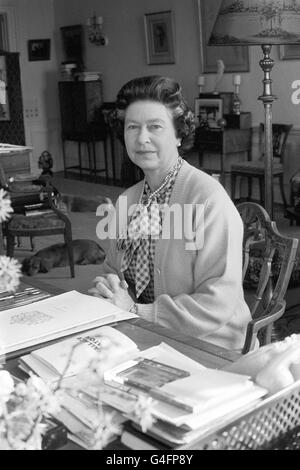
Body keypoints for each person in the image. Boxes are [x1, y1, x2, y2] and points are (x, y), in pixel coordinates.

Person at [88, 75, 251, 350]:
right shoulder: (127, 200)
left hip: (211, 347)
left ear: (178, 134)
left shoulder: (208, 199)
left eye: (155, 127)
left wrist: (139, 313)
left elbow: (217, 302)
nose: (142, 138)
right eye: (132, 127)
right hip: (142, 335)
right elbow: (112, 270)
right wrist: (109, 288)